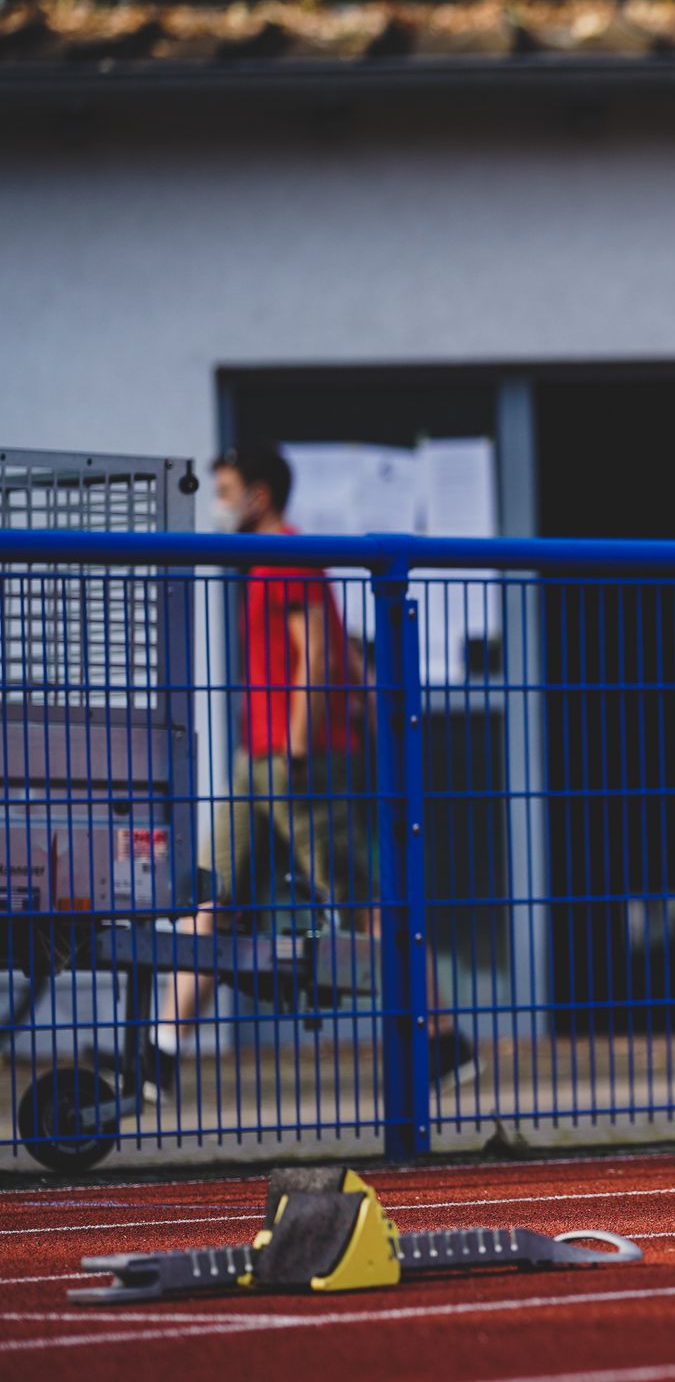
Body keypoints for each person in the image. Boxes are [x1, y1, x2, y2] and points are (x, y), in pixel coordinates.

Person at [143, 445, 477, 1102]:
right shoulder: (274, 558)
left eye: (228, 488)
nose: (221, 503)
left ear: (260, 495)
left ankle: (442, 1043)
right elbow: (342, 650)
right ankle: (158, 1052)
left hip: (293, 764)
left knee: (365, 905)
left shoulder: (285, 553)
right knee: (215, 897)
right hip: (257, 762)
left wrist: (300, 744)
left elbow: (317, 649)